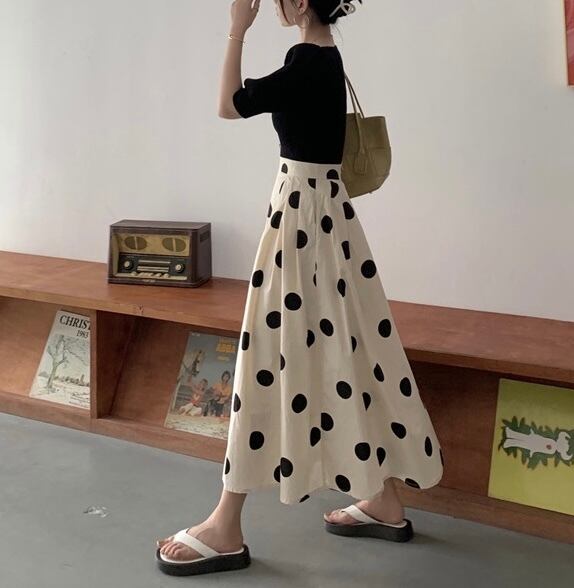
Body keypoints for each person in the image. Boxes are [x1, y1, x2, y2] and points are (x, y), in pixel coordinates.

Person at [156, 0, 444, 576]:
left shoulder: (306, 60)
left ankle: (226, 524)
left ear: (300, 1)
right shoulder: (327, 59)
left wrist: (236, 30)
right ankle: (383, 499)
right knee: (350, 349)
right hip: (327, 219)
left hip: (300, 222)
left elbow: (228, 105)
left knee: (267, 354)